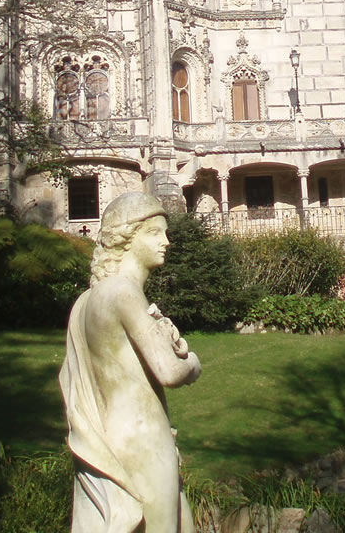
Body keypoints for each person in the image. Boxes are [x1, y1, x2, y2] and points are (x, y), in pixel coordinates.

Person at [60, 192, 202, 533]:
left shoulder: (85, 301)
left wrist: (163, 337)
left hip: (105, 437)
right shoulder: (125, 293)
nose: (166, 242)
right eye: (154, 232)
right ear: (126, 236)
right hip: (143, 438)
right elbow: (169, 371)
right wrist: (192, 360)